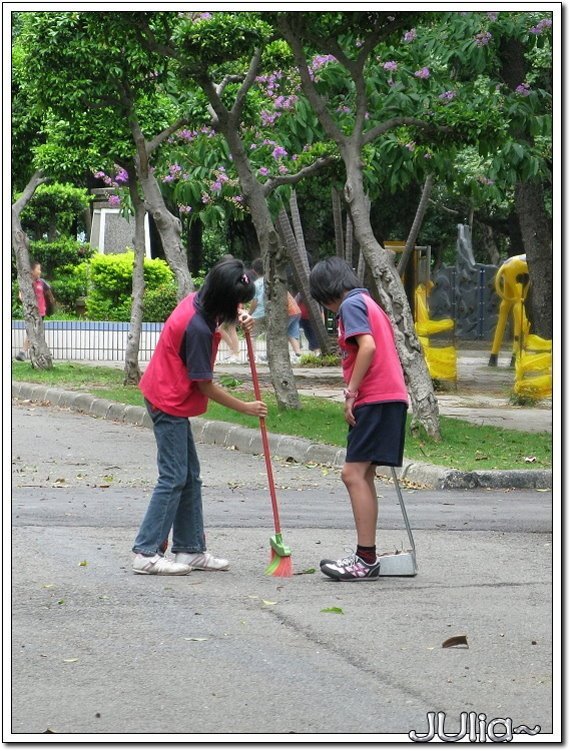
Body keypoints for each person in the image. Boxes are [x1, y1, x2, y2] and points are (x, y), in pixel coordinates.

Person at [132, 258, 268, 575]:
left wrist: (241, 315)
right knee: (174, 476)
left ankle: (189, 549)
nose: (237, 307)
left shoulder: (202, 300)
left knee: (190, 475)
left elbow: (222, 314)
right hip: (166, 399)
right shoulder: (195, 328)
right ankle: (146, 551)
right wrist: (245, 407)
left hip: (172, 395)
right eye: (236, 303)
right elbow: (204, 385)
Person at [309, 257, 409, 581]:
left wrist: (351, 392)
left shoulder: (350, 306)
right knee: (363, 475)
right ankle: (367, 555)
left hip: (375, 398)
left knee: (352, 474)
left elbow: (367, 347)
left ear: (326, 293)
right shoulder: (368, 302)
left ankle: (365, 560)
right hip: (390, 398)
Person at [15, 261, 55, 361]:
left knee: (37, 333)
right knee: (33, 332)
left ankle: (35, 352)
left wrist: (51, 301)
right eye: (38, 269)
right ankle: (24, 352)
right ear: (32, 271)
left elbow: (49, 293)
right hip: (32, 312)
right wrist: (25, 301)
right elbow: (20, 294)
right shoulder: (27, 282)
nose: (40, 271)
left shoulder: (42, 282)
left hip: (41, 312)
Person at [248, 258, 266, 363]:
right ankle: (269, 355)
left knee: (252, 335)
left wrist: (250, 313)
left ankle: (252, 356)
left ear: (254, 271)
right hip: (271, 313)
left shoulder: (256, 284)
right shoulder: (272, 282)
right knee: (271, 335)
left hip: (258, 313)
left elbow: (255, 302)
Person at [286, 291, 302, 362]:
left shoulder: (274, 288)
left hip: (289, 312)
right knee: (292, 334)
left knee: (279, 333)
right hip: (296, 311)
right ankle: (298, 354)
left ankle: (279, 355)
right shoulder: (283, 288)